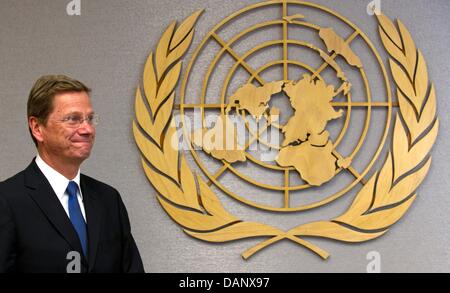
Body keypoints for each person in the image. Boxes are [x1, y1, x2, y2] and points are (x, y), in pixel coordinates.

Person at [0, 75, 144, 273]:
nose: (87, 129)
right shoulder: (7, 201)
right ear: (37, 128)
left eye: (90, 119)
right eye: (73, 119)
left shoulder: (109, 199)